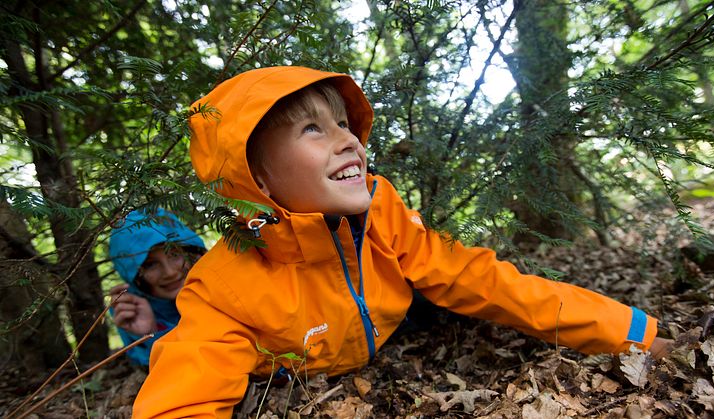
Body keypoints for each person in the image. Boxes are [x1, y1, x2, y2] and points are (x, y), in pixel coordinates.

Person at [134, 66, 672, 417]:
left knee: (454, 292)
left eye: (344, 123)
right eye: (313, 130)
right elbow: (187, 389)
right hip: (313, 361)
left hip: (393, 318)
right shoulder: (223, 286)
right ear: (258, 180)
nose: (349, 139)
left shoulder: (381, 210)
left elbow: (484, 281)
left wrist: (632, 335)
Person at [108, 208, 206, 367]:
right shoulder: (130, 310)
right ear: (134, 276)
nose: (170, 272)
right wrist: (150, 334)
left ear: (192, 251)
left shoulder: (221, 286)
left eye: (174, 254)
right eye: (151, 264)